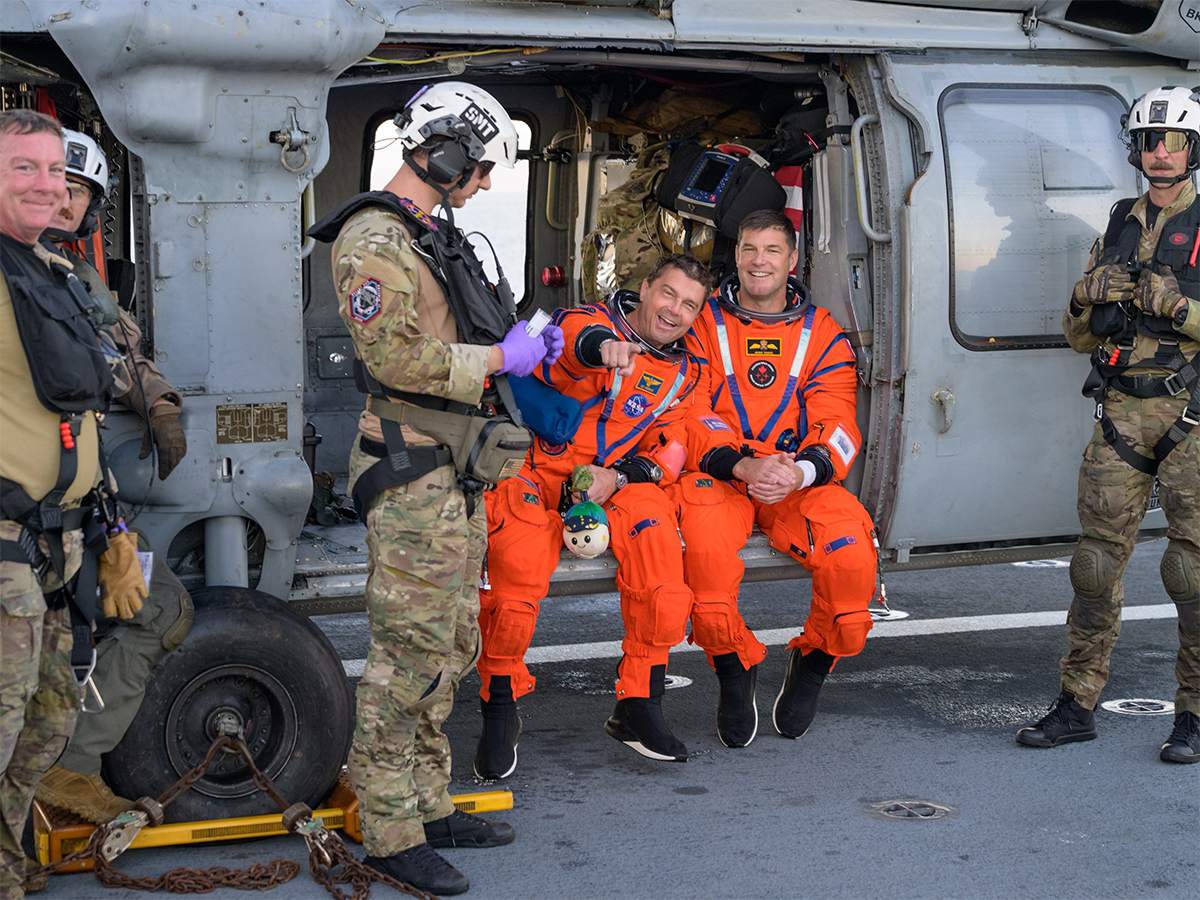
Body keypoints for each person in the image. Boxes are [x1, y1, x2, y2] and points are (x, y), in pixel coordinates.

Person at [307, 82, 561, 896]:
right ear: (442, 152)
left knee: (448, 648)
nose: (484, 184)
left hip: (453, 472)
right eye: (479, 167)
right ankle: (386, 828)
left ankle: (423, 800)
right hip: (413, 472)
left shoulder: (423, 234)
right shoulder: (373, 241)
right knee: (405, 658)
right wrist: (501, 360)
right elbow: (397, 363)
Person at [475, 253, 796, 777]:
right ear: (645, 288)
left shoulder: (689, 372)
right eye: (667, 294)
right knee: (516, 568)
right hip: (534, 470)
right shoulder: (589, 322)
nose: (674, 310)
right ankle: (500, 705)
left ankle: (639, 704)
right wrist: (605, 351)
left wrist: (619, 478)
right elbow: (574, 347)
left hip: (612, 481)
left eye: (689, 305)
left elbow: (673, 448)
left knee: (661, 555)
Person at [1016, 86, 1199, 764]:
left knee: (1193, 571)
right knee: (1094, 566)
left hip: (1191, 416)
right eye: (1150, 141)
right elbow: (1079, 338)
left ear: (1192, 149)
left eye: (1173, 140)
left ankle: (1194, 713)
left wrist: (1177, 309)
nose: (1160, 153)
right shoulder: (1118, 224)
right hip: (1122, 414)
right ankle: (1078, 702)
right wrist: (1083, 295)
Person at [26, 126, 195, 826]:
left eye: (76, 191)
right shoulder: (29, 278)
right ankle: (63, 770)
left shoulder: (68, 277)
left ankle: (57, 773)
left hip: (71, 502)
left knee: (146, 610)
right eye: (49, 186)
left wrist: (156, 398)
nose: (61, 201)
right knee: (151, 612)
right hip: (30, 506)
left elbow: (115, 346)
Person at [0, 110, 146, 898]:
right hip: (4, 540)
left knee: (43, 727)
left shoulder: (52, 275)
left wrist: (108, 520)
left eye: (56, 173)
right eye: (24, 169)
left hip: (61, 543)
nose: (48, 189)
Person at [676, 209, 879, 748]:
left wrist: (799, 471)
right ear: (735, 256)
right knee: (706, 568)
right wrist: (742, 464)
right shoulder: (702, 327)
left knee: (853, 560)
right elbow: (689, 411)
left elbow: (839, 424)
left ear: (792, 261)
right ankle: (733, 669)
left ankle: (813, 662)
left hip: (795, 480)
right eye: (748, 249)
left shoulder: (824, 336)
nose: (758, 261)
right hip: (722, 476)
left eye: (771, 250)